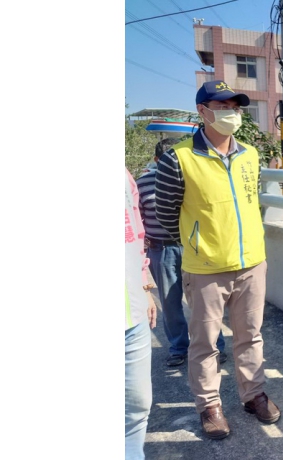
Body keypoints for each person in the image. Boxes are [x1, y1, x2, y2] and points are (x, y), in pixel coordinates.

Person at [155, 80, 280, 440]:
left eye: (235, 106)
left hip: (252, 263)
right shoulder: (178, 159)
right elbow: (166, 214)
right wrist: (198, 243)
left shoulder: (251, 155)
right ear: (202, 111)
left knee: (250, 336)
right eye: (221, 105)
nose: (231, 113)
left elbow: (251, 200)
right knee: (205, 342)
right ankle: (209, 406)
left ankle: (253, 395)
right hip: (206, 268)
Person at [137, 138, 227, 368]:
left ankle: (215, 345)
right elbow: (139, 219)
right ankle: (178, 347)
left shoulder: (193, 179)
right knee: (169, 302)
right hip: (162, 249)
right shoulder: (143, 183)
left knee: (205, 300)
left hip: (194, 247)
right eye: (167, 161)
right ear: (157, 161)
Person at [125, 167, 157, 459]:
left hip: (131, 314)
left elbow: (135, 234)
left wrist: (146, 285)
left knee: (137, 408)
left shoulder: (123, 176)